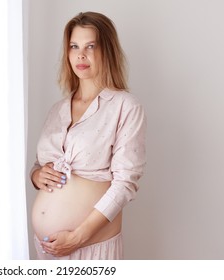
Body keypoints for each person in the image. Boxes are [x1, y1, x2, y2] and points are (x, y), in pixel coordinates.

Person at [30, 11, 146, 260]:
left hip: (92, 247)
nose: (80, 55)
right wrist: (37, 175)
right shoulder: (57, 109)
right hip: (47, 250)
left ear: (107, 51)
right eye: (74, 46)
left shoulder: (125, 106)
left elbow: (124, 184)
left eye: (90, 46)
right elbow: (39, 166)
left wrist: (78, 237)